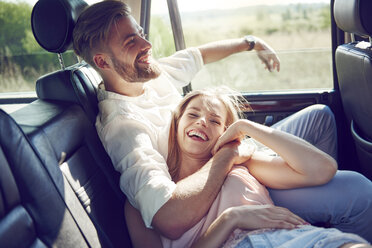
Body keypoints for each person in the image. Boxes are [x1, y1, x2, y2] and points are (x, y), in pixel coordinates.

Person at [72, 0, 372, 242]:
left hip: (232, 160)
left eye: (141, 33)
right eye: (130, 41)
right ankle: (290, 206)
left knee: (319, 117)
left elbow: (198, 55)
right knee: (358, 192)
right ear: (102, 62)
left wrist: (251, 43)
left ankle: (303, 212)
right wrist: (229, 154)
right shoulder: (125, 129)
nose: (146, 45)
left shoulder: (150, 73)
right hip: (217, 180)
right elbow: (170, 218)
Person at [125, 87, 370, 247]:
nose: (202, 121)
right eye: (193, 114)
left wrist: (246, 127)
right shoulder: (149, 198)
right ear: (177, 123)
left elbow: (323, 169)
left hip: (295, 238)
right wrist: (231, 218)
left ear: (224, 133)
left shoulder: (240, 164)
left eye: (215, 121)